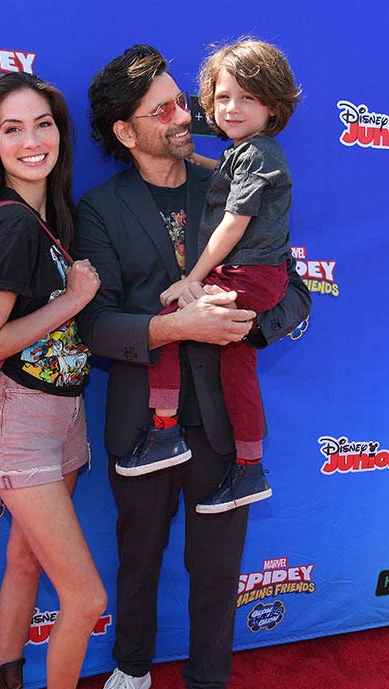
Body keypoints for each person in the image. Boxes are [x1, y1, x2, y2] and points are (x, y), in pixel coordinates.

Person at [75, 45, 310, 689]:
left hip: (222, 424)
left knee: (216, 566)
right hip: (141, 419)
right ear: (125, 131)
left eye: (186, 103)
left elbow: (292, 291)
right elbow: (93, 324)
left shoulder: (237, 174)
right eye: (165, 110)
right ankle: (132, 669)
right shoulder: (99, 209)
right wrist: (175, 325)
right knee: (138, 560)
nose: (189, 117)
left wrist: (244, 322)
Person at [0, 72, 118, 689]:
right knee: (83, 598)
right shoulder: (13, 223)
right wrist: (74, 298)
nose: (33, 141)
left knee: (25, 559)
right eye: (13, 129)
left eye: (43, 124)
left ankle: (2, 688)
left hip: (63, 415)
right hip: (18, 419)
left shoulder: (42, 219)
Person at [115, 38, 301, 516]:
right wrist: (193, 160)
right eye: (222, 97)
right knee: (238, 365)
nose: (232, 108)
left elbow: (233, 222)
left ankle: (164, 430)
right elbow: (227, 172)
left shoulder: (258, 153)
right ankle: (250, 466)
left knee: (175, 314)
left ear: (274, 106)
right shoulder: (246, 154)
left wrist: (191, 279)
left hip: (250, 274)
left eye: (248, 98)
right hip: (254, 274)